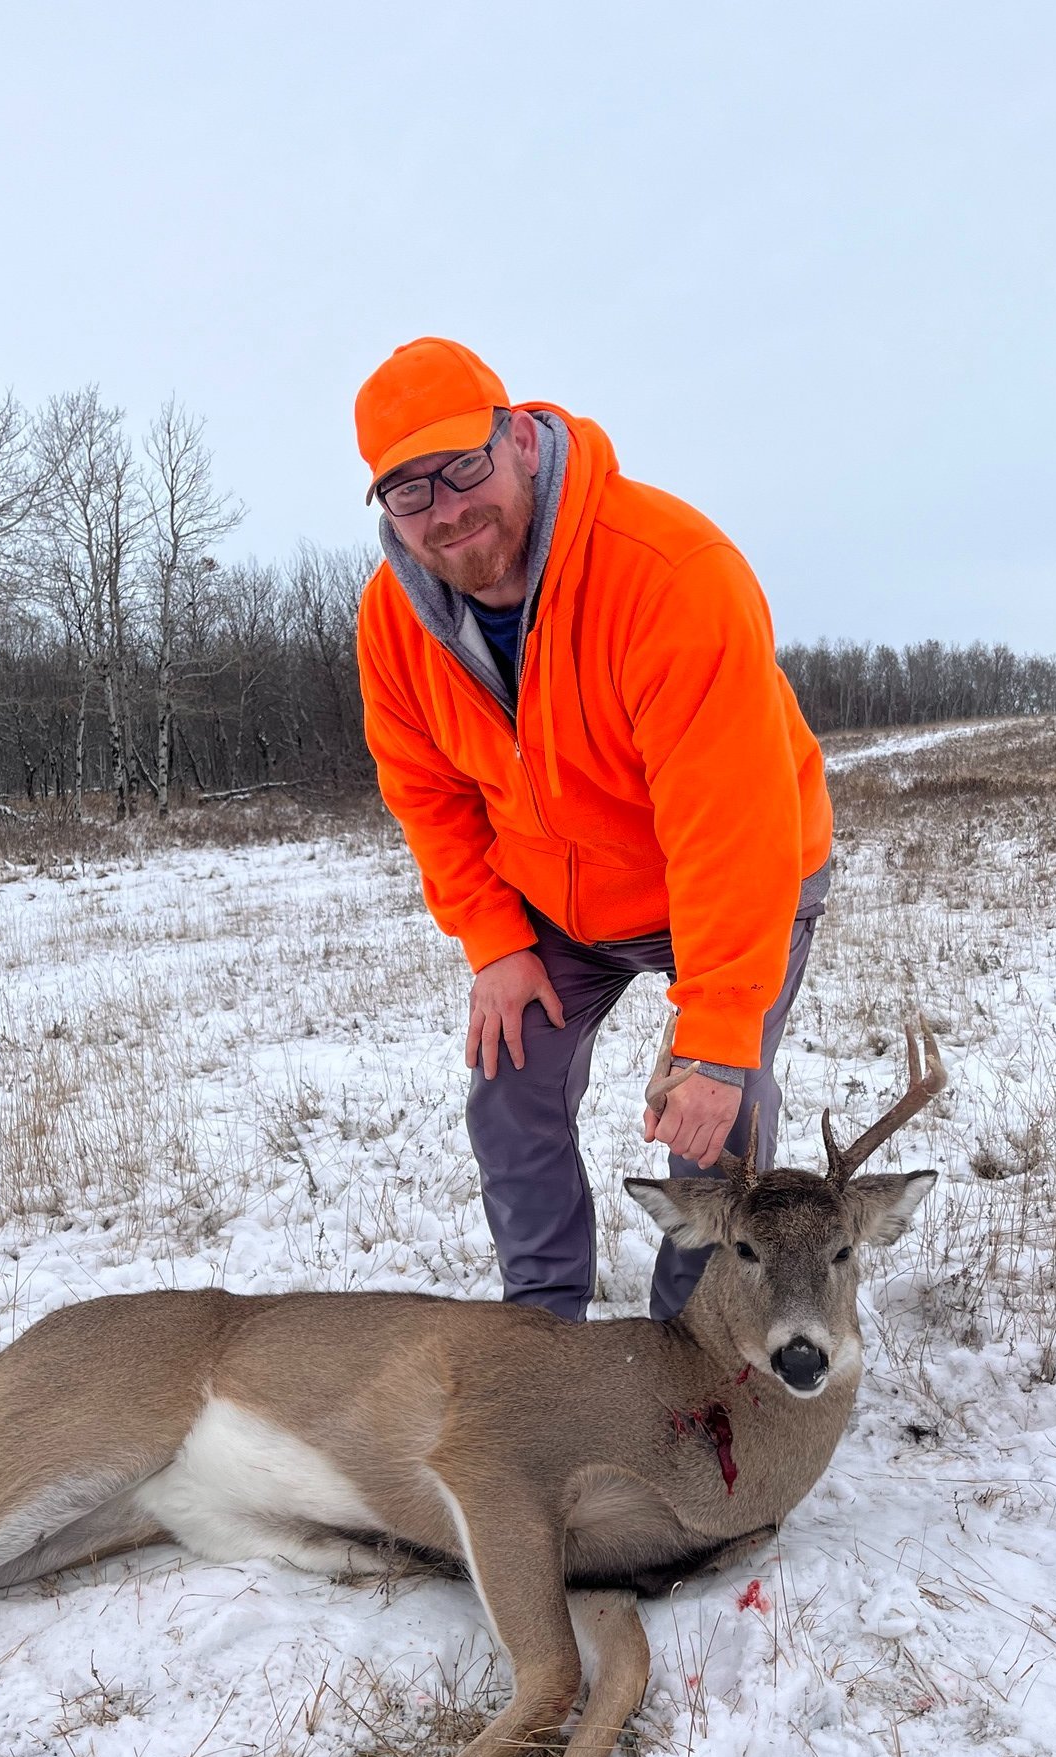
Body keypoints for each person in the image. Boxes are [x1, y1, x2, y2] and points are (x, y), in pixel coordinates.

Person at [354, 337, 832, 1323]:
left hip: (738, 874)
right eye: (411, 493)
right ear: (384, 509)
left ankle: (691, 1345)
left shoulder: (668, 575)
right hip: (560, 899)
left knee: (720, 1121)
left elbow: (731, 827)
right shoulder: (392, 623)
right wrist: (494, 941)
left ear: (521, 441)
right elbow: (428, 795)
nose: (447, 510)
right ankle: (541, 1325)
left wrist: (711, 1042)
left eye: (464, 468)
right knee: (510, 1086)